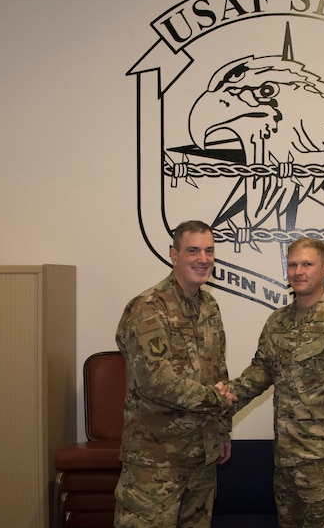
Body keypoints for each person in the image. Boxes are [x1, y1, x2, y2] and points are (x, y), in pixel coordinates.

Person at [219, 237, 324, 528]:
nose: (299, 271)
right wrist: (231, 393)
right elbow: (262, 370)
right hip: (286, 461)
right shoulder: (278, 322)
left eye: (307, 264)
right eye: (292, 265)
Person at [114, 220, 238, 528]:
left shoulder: (209, 305)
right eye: (193, 250)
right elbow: (156, 380)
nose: (203, 258)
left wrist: (222, 431)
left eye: (209, 251)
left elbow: (218, 371)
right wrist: (217, 401)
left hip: (201, 459)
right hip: (155, 463)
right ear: (173, 255)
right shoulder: (148, 307)